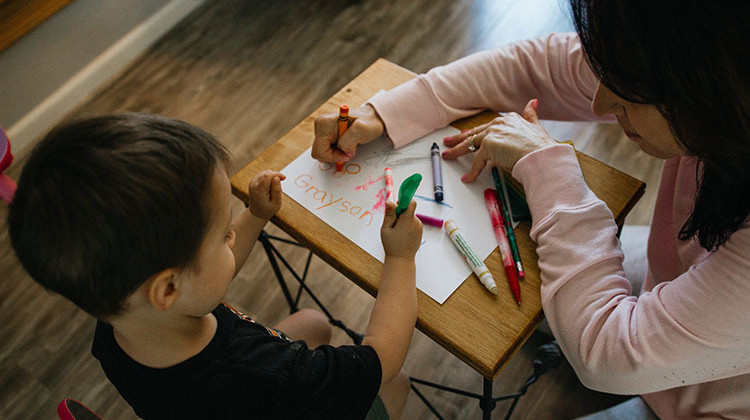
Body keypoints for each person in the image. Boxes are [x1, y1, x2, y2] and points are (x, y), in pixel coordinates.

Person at [311, 0, 749, 418]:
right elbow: (534, 66)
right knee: (542, 307)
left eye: (627, 97)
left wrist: (550, 167)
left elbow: (609, 354)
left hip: (711, 404)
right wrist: (382, 114)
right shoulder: (709, 70)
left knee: (563, 322)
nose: (600, 106)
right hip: (678, 278)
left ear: (709, 87)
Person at [8, 113, 423, 419]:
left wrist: (254, 216)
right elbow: (381, 358)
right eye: (225, 234)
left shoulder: (119, 318)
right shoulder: (264, 373)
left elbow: (200, 280)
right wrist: (401, 256)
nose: (232, 235)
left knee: (314, 321)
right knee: (397, 382)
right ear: (167, 289)